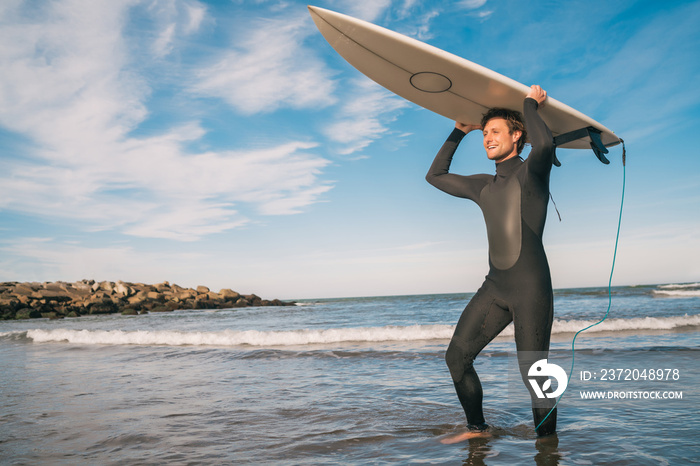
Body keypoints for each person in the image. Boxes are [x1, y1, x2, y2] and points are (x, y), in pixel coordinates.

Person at [426, 85, 557, 441]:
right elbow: (434, 176)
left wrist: (530, 104)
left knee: (533, 372)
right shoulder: (483, 185)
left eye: (495, 131)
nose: (487, 139)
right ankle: (478, 430)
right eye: (484, 134)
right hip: (495, 286)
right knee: (457, 357)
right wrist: (459, 130)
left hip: (531, 287)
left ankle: (547, 447)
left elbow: (545, 144)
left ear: (517, 136)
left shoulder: (533, 171)